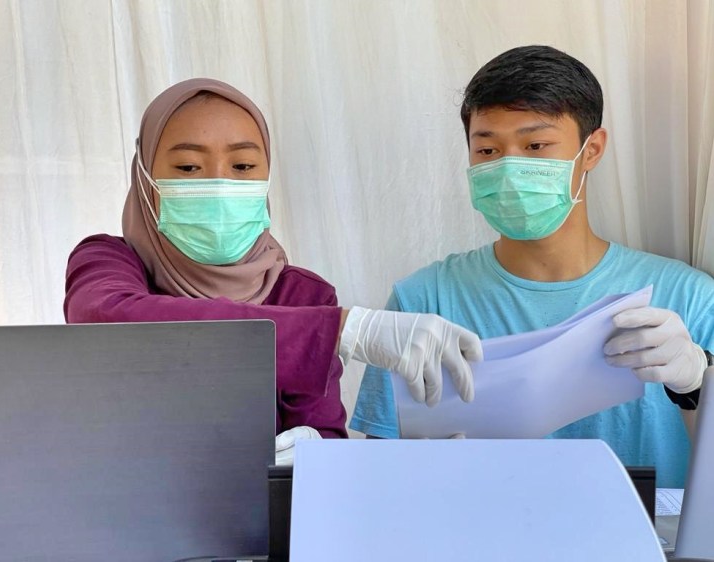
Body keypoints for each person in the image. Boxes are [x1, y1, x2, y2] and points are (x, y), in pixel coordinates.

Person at [350, 46, 714, 488]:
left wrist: (696, 383)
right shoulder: (422, 302)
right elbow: (377, 480)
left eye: (535, 145)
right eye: (487, 150)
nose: (509, 169)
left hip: (649, 532)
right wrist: (422, 470)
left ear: (592, 149)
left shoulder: (689, 299)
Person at [64, 78, 482, 446]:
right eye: (188, 167)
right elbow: (106, 320)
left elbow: (323, 437)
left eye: (243, 166)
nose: (220, 184)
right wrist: (342, 328)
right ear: (144, 177)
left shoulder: (302, 295)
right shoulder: (108, 261)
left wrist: (315, 450)